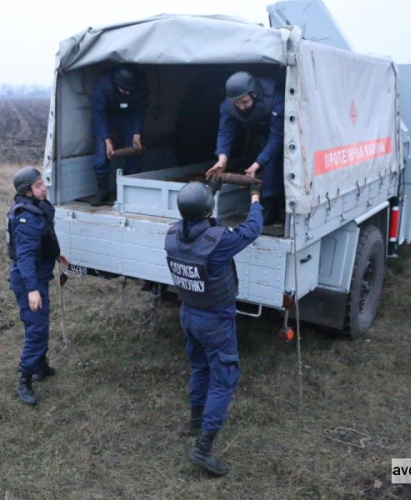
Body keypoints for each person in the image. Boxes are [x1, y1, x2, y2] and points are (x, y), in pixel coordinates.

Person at [164, 180, 263, 476]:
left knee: (200, 368)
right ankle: (203, 448)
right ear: (207, 211)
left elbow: (198, 222)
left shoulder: (171, 235)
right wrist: (255, 195)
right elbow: (252, 229)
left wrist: (210, 192)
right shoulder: (218, 242)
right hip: (215, 320)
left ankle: (195, 422)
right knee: (223, 379)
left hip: (188, 314)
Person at [6, 167, 69, 406]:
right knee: (37, 330)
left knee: (40, 323)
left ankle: (40, 365)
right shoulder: (26, 219)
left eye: (43, 183)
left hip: (38, 276)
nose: (44, 188)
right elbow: (24, 257)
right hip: (28, 280)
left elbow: (44, 240)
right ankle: (25, 379)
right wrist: (32, 289)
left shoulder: (36, 209)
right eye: (39, 185)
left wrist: (56, 254)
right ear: (28, 192)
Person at [205, 71, 285, 225]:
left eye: (245, 102)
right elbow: (225, 132)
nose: (241, 107)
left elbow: (276, 138)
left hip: (279, 132)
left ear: (254, 94)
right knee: (255, 153)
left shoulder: (275, 98)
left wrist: (258, 164)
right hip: (258, 132)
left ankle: (271, 205)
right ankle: (256, 201)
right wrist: (222, 158)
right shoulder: (228, 105)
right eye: (237, 103)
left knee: (270, 164)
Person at [90, 65, 149, 206]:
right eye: (124, 90)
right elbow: (99, 115)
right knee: (101, 150)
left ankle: (131, 189)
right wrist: (106, 139)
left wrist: (137, 133)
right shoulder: (102, 88)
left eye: (130, 90)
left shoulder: (138, 87)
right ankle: (103, 192)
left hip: (128, 117)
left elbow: (139, 110)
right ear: (116, 84)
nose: (127, 93)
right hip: (107, 117)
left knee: (134, 149)